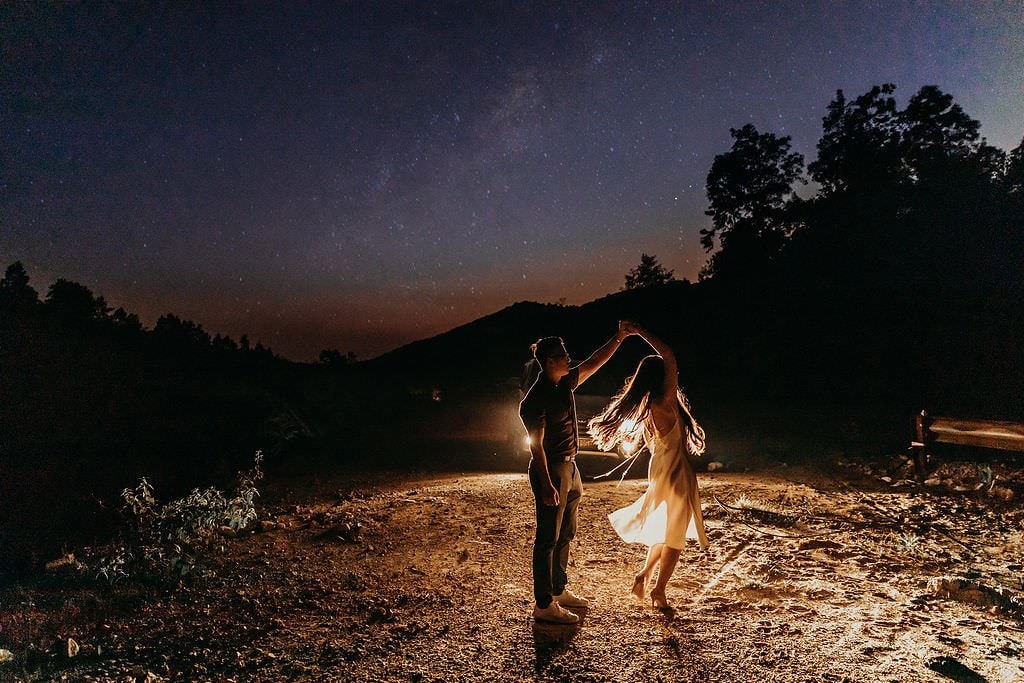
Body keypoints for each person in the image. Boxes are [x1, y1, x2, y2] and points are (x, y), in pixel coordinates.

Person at [588, 321, 708, 610]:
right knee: (675, 537)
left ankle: (644, 576)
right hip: (675, 473)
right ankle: (659, 591)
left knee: (664, 529)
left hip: (662, 471)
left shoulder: (648, 408)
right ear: (662, 378)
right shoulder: (664, 401)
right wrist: (639, 331)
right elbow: (669, 354)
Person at [519, 323, 634, 624]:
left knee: (566, 532)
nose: (569, 358)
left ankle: (558, 590)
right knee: (547, 537)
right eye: (562, 355)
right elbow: (536, 446)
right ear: (548, 362)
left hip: (570, 465)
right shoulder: (535, 400)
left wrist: (619, 337)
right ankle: (543, 604)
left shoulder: (565, 383)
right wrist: (546, 483)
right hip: (552, 468)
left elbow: (595, 361)